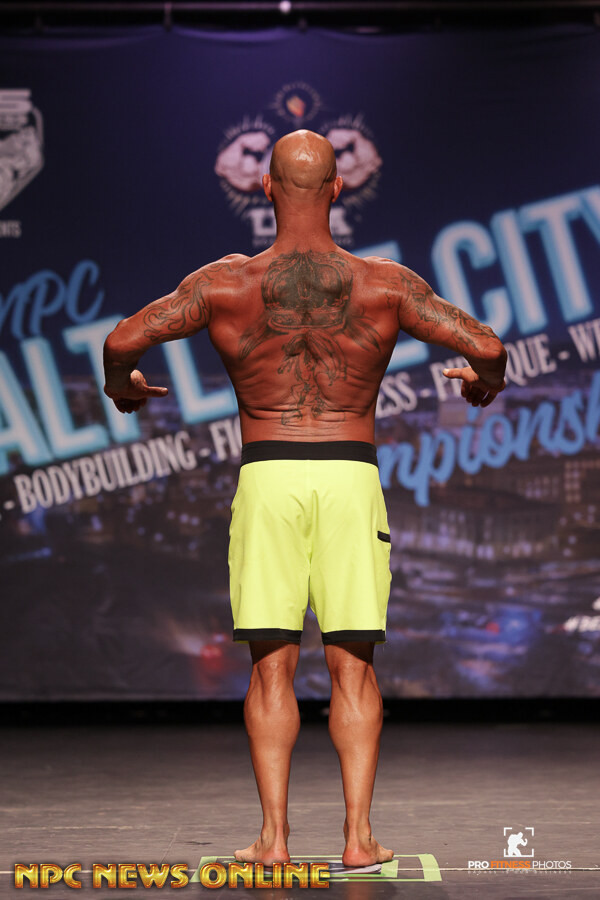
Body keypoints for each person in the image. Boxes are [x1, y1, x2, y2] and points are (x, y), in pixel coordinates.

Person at [103, 129, 507, 868]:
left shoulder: (224, 284)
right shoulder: (384, 284)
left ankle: (274, 840)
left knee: (271, 669)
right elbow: (486, 348)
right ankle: (357, 839)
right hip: (349, 477)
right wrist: (484, 385)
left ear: (265, 188)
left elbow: (122, 340)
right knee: (354, 665)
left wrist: (121, 388)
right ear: (338, 189)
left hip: (269, 477)